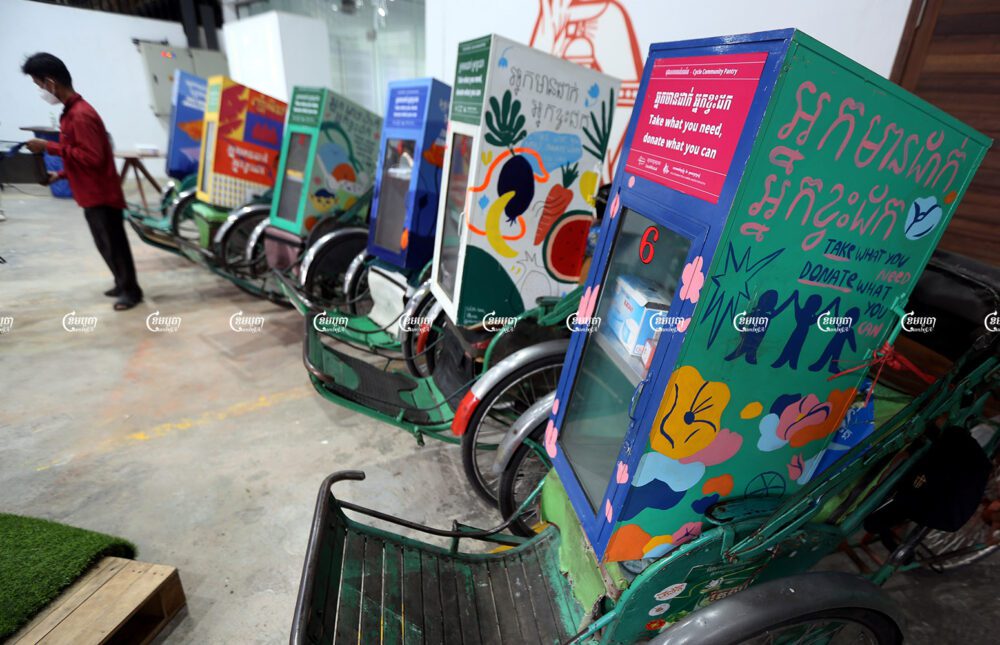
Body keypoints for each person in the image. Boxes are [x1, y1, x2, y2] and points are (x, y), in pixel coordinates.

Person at [22, 53, 143, 310]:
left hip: (102, 194)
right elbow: (77, 155)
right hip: (90, 193)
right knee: (105, 245)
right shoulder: (70, 114)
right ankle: (122, 283)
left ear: (51, 82)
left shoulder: (81, 116)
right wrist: (61, 174)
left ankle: (131, 292)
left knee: (114, 245)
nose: (42, 91)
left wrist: (48, 147)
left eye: (40, 85)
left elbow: (93, 158)